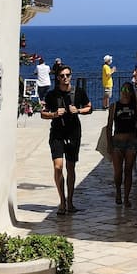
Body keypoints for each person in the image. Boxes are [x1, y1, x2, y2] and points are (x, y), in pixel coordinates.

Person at [41, 64, 92, 216]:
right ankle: (62, 201)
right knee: (58, 167)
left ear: (71, 76)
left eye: (68, 75)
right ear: (57, 78)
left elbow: (89, 107)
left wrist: (79, 110)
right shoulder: (51, 95)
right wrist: (55, 114)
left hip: (73, 133)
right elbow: (43, 114)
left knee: (70, 167)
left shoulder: (78, 92)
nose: (65, 78)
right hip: (57, 133)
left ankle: (70, 201)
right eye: (62, 76)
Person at [106, 81, 137, 206]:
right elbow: (109, 126)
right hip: (117, 143)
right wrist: (109, 143)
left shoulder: (134, 106)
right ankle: (118, 191)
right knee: (118, 172)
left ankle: (126, 197)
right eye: (123, 90)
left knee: (129, 170)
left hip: (131, 141)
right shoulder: (114, 106)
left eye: (127, 90)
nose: (125, 93)